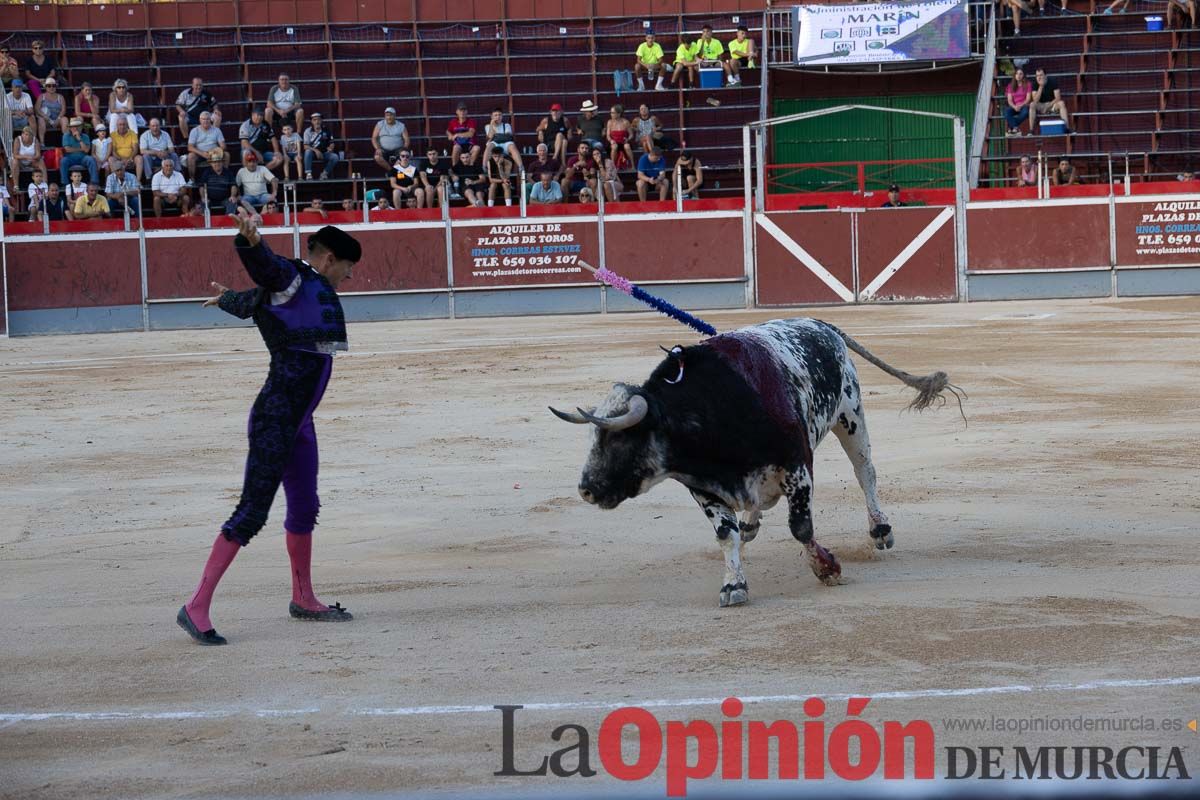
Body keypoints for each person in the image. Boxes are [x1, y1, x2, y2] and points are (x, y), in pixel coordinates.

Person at [178, 215, 362, 646]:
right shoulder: (294, 277)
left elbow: (252, 299)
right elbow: (267, 270)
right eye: (347, 268)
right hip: (276, 418)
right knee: (252, 511)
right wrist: (252, 241)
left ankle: (304, 597)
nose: (349, 277)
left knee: (304, 506)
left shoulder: (291, 288)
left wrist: (227, 301)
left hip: (299, 422)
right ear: (331, 259)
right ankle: (196, 605)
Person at [1029, 68, 1071, 132]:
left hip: (1052, 104)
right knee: (1032, 105)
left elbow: (1058, 98)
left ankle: (1067, 128)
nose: (1039, 77)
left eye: (1041, 75)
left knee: (1061, 103)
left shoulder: (1052, 81)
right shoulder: (1034, 83)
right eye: (1037, 75)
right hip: (1041, 105)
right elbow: (1035, 100)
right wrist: (1040, 86)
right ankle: (1031, 130)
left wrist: (1047, 106)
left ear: (1045, 75)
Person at [482, 108, 524, 173]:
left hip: (505, 143)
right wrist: (491, 125)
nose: (498, 117)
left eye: (499, 115)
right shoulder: (487, 126)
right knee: (489, 145)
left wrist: (496, 135)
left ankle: (521, 166)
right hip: (494, 144)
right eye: (495, 115)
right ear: (492, 117)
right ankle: (484, 166)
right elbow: (490, 136)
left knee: (512, 146)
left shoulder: (506, 125)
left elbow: (508, 135)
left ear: (502, 116)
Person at [187, 111, 226, 179]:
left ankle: (224, 177)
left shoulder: (217, 130)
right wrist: (202, 153)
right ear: (200, 120)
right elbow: (190, 147)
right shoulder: (194, 130)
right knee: (190, 157)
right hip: (199, 154)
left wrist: (214, 153)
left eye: (207, 119)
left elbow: (223, 146)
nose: (205, 121)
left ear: (210, 120)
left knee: (227, 155)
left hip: (214, 153)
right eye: (203, 119)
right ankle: (192, 179)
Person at [198, 150, 238, 215]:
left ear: (222, 162)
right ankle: (206, 223)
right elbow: (202, 186)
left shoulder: (228, 172)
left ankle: (228, 221)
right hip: (209, 199)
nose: (217, 164)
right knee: (203, 203)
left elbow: (233, 185)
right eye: (215, 162)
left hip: (224, 199)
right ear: (211, 163)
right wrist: (203, 197)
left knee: (232, 202)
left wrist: (232, 196)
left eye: (219, 162)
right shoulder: (207, 172)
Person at [372, 107, 410, 172]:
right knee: (377, 157)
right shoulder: (380, 124)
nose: (389, 117)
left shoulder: (401, 125)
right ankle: (392, 171)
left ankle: (392, 173)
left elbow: (406, 139)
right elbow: (374, 138)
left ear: (395, 116)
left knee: (404, 155)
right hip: (383, 149)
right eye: (387, 115)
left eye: (391, 115)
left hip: (398, 149)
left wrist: (404, 149)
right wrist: (377, 148)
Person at [302, 113, 339, 180]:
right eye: (314, 120)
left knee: (335, 157)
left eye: (319, 119)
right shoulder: (308, 131)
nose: (317, 122)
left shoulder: (326, 130)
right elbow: (305, 146)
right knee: (307, 151)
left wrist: (330, 148)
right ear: (312, 121)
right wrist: (316, 151)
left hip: (324, 153)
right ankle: (308, 174)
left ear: (321, 120)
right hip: (312, 153)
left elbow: (332, 142)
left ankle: (324, 173)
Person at [33, 77, 66, 143]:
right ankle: (42, 143)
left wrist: (58, 119)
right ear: (46, 87)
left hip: (57, 119)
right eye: (49, 86)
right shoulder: (41, 96)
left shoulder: (60, 97)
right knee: (41, 120)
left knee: (65, 120)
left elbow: (63, 110)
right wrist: (45, 117)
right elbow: (37, 109)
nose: (51, 88)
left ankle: (66, 142)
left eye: (53, 86)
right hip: (46, 120)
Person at [109, 116, 142, 182]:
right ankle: (115, 181)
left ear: (127, 125)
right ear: (117, 125)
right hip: (119, 159)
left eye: (124, 124)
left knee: (139, 158)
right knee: (111, 159)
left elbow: (135, 149)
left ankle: (138, 182)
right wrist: (121, 159)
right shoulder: (113, 135)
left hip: (131, 159)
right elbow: (113, 151)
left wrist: (130, 158)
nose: (122, 126)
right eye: (120, 125)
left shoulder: (132, 133)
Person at [605, 105, 635, 170]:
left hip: (623, 142)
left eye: (613, 113)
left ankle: (633, 165)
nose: (611, 114)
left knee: (627, 146)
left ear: (618, 114)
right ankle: (613, 166)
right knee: (614, 146)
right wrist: (611, 141)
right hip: (614, 142)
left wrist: (628, 139)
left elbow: (631, 134)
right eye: (611, 113)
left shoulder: (625, 122)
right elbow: (608, 135)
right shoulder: (610, 122)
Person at [1004, 69, 1032, 136]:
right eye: (1017, 74)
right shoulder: (1010, 86)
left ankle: (1012, 128)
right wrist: (1014, 106)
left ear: (1023, 75)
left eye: (1020, 74)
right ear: (1015, 75)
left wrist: (1021, 105)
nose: (1018, 75)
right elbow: (1009, 100)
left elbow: (1028, 99)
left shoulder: (1028, 84)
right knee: (1006, 112)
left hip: (1024, 105)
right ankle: (1016, 128)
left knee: (1025, 112)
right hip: (1014, 106)